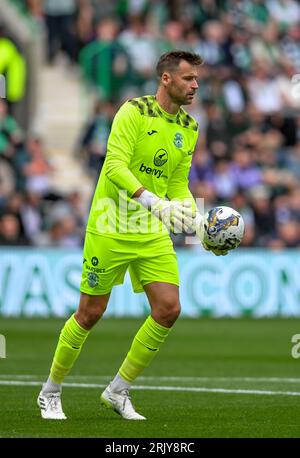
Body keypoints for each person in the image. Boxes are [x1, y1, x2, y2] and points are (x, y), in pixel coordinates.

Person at [37, 50, 227, 421]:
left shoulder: (189, 127)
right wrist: (155, 202)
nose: (196, 85)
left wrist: (197, 223)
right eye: (188, 78)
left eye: (197, 79)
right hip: (110, 224)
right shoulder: (133, 112)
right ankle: (51, 391)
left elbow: (178, 184)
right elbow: (113, 166)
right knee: (90, 313)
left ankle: (118, 390)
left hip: (150, 230)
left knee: (169, 309)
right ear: (166, 79)